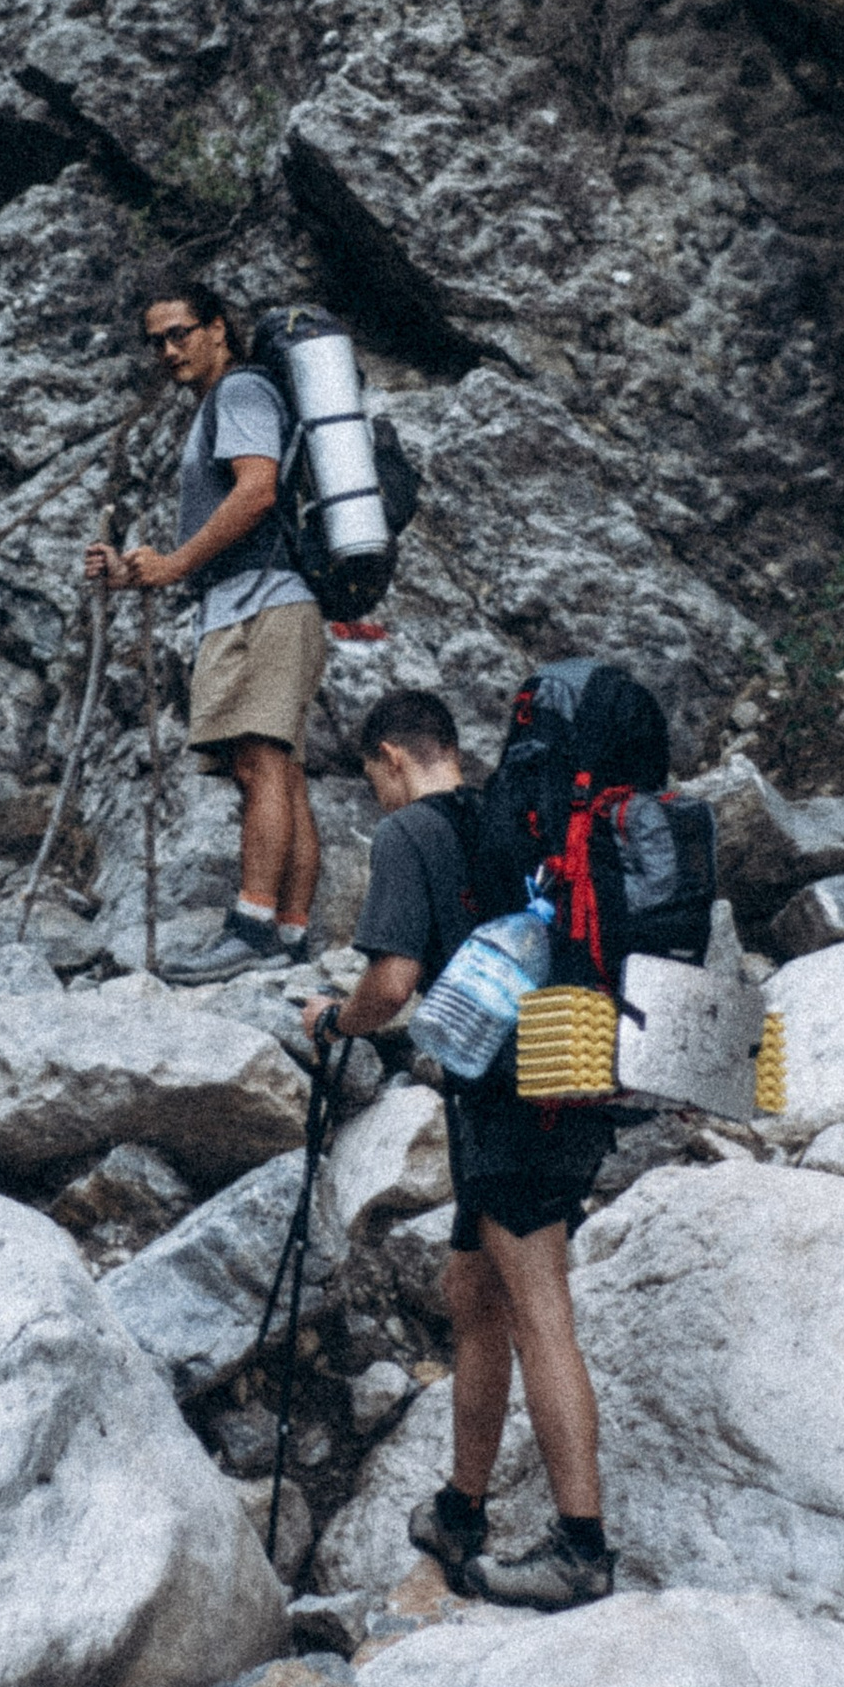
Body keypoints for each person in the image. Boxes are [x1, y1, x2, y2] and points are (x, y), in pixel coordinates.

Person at [299, 686, 618, 1612]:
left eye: (374, 779)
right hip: (564, 1078)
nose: (379, 797)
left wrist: (335, 1021)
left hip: (520, 1108)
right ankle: (460, 1509)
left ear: (393, 758)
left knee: (539, 1308)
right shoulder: (512, 820)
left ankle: (581, 1548)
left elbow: (393, 982)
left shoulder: (410, 834)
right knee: (470, 1291)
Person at [88, 275, 325, 982]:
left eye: (179, 333)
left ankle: (251, 928)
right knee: (281, 771)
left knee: (259, 766)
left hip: (261, 602)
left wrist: (174, 565)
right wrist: (136, 572)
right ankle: (290, 933)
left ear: (218, 327)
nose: (167, 351)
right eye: (155, 341)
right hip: (257, 599)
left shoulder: (241, 392)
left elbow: (257, 492)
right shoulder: (222, 402)